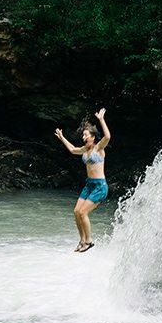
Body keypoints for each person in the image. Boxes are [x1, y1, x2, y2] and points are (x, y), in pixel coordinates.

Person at [54, 108, 111, 252]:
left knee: (83, 212)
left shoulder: (99, 148)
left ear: (92, 137)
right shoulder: (84, 150)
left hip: (99, 186)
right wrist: (62, 138)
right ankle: (82, 240)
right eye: (83, 136)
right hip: (89, 185)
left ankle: (89, 241)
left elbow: (108, 137)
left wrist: (101, 120)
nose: (83, 137)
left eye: (86, 135)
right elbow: (73, 150)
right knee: (76, 211)